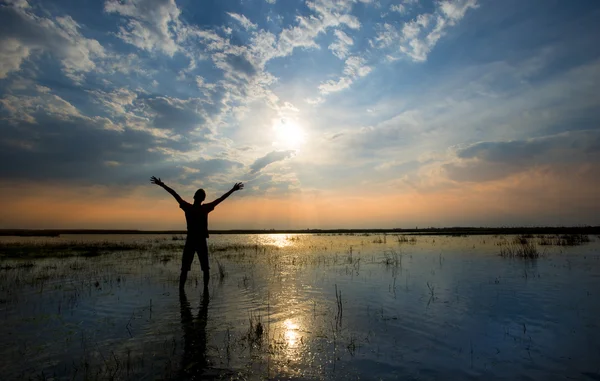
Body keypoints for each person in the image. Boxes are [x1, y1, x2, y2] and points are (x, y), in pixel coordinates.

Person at [150, 176, 244, 288]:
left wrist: (162, 185)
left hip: (193, 241)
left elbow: (174, 194)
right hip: (198, 241)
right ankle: (204, 292)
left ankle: (185, 292)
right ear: (202, 199)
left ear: (194, 197)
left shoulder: (189, 207)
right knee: (204, 269)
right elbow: (220, 199)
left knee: (188, 269)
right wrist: (233, 190)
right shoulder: (201, 208)